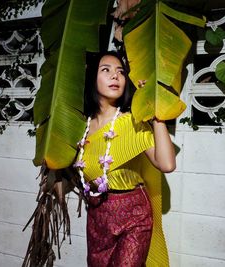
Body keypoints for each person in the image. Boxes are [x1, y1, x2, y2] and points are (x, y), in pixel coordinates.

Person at [73, 50, 176, 267]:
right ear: (93, 78)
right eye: (106, 70)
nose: (115, 76)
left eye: (120, 72)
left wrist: (156, 114)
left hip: (133, 216)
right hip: (98, 218)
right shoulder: (82, 127)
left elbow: (166, 164)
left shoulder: (132, 122)